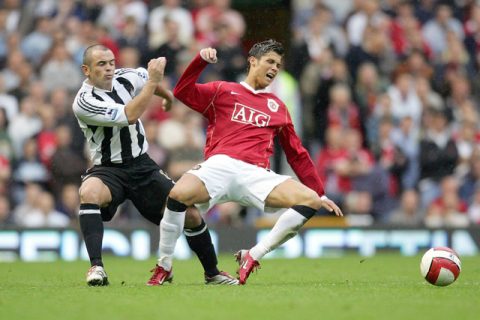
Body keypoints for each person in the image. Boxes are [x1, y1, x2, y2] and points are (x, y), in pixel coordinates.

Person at [153, 39, 343, 285]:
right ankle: (164, 265)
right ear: (253, 61)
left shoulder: (278, 108)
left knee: (311, 201)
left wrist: (320, 191)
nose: (275, 68)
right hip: (220, 165)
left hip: (256, 174)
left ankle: (253, 255)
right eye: (270, 62)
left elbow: (296, 152)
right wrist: (199, 60)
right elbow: (182, 92)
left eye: (278, 64)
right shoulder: (223, 90)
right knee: (177, 194)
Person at [72, 44, 238, 286]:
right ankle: (96, 267)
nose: (109, 68)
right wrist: (154, 84)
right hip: (108, 169)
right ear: (86, 69)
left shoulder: (125, 77)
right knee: (89, 192)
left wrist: (166, 95)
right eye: (101, 64)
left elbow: (146, 80)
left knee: (190, 214)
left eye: (110, 62)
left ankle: (212, 273)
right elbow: (129, 115)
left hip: (142, 166)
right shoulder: (84, 101)